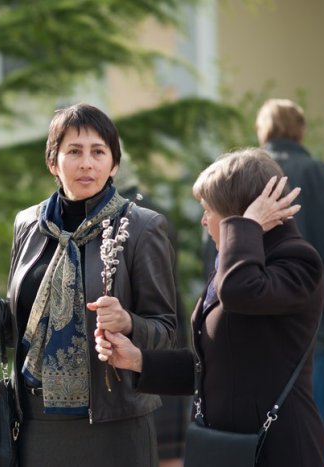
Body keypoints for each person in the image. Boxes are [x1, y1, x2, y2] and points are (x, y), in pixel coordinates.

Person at [0, 103, 177, 467]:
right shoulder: (28, 223)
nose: (86, 163)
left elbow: (166, 331)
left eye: (98, 152)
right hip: (36, 424)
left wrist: (129, 323)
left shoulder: (141, 227)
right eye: (73, 151)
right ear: (52, 162)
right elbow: (20, 329)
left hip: (115, 425)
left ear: (114, 164)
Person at [95, 148, 324, 467]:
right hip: (227, 448)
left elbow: (240, 292)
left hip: (279, 450)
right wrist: (139, 360)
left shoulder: (296, 260)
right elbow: (214, 364)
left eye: (209, 209)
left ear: (242, 213)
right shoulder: (236, 262)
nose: (204, 220)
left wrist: (246, 227)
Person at [256, 98, 324, 467]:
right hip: (318, 322)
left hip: (254, 317)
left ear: (262, 131)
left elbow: (217, 244)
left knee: (258, 426)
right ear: (300, 131)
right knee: (317, 423)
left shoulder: (243, 173)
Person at [114, 152, 189, 467]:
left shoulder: (131, 219)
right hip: (167, 333)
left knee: (156, 447)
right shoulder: (155, 212)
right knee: (168, 449)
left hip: (141, 337)